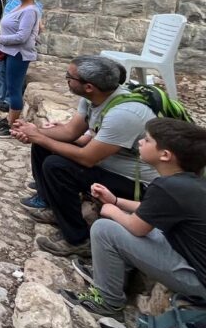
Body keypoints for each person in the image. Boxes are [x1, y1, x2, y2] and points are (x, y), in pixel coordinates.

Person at [11, 55, 158, 258]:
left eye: (69, 76)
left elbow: (87, 158)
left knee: (57, 165)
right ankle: (50, 203)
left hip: (137, 184)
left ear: (89, 86)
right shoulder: (94, 99)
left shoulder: (124, 114)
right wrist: (33, 132)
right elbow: (70, 133)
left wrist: (40, 136)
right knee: (41, 145)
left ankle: (78, 239)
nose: (66, 79)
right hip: (107, 162)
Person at [61, 119, 206, 316]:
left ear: (165, 155)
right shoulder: (189, 182)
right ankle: (113, 276)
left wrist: (111, 209)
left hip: (197, 279)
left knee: (104, 229)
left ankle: (108, 301)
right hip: (189, 258)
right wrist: (116, 200)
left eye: (147, 140)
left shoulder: (167, 187)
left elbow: (137, 227)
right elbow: (150, 210)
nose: (140, 142)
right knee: (125, 217)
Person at [0, 0, 44, 136]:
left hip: (18, 54)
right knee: (11, 88)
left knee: (14, 90)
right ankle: (11, 118)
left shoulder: (30, 10)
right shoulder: (20, 5)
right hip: (10, 51)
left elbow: (22, 37)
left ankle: (12, 127)